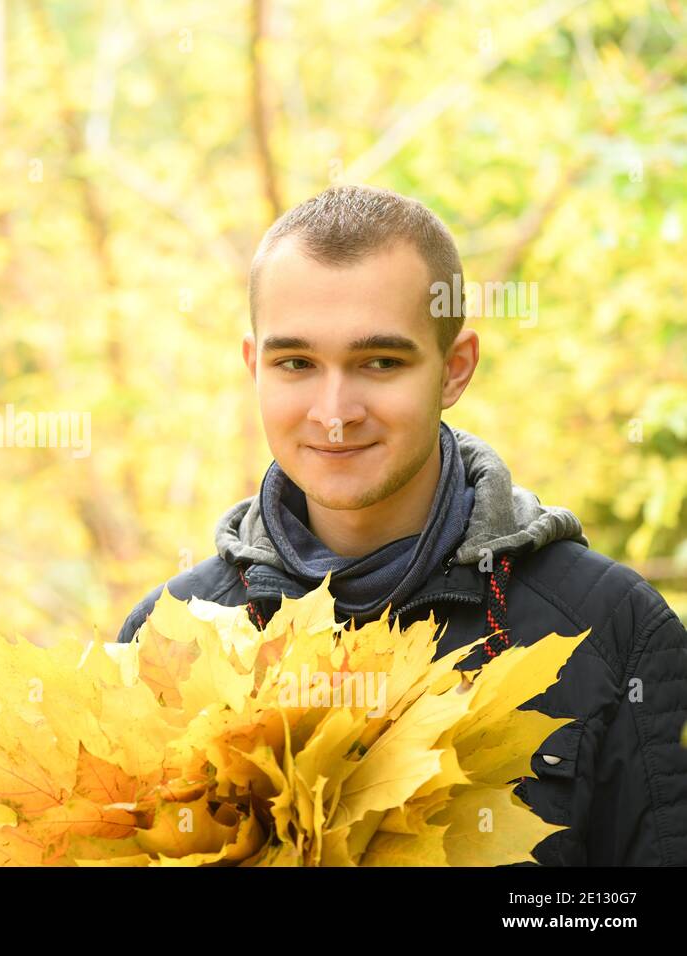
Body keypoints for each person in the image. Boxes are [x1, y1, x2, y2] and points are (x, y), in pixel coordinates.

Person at [115, 184, 687, 866]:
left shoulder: (611, 630)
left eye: (379, 363)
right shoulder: (168, 635)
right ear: (254, 367)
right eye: (296, 363)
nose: (334, 411)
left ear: (454, 369)